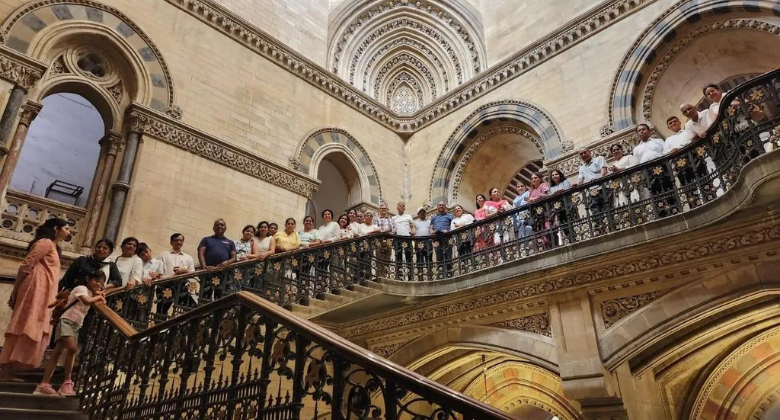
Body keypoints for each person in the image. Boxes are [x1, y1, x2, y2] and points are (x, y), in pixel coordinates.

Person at [0, 218, 70, 382]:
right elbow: (26, 265)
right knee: (24, 323)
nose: (68, 232)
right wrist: (15, 290)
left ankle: (10, 370)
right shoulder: (45, 242)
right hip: (35, 287)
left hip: (45, 290)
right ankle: (5, 370)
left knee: (33, 324)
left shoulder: (53, 246)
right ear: (56, 228)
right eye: (66, 228)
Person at [34, 271, 105, 396]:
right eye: (96, 280)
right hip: (67, 321)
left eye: (100, 282)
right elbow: (86, 301)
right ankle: (66, 382)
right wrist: (99, 297)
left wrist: (98, 294)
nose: (98, 284)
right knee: (72, 349)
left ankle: (45, 384)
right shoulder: (81, 288)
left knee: (58, 352)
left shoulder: (90, 292)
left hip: (76, 325)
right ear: (88, 279)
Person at [635, 123, 676, 217]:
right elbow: (637, 162)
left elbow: (665, 152)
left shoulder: (658, 141)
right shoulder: (636, 149)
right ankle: (661, 214)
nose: (641, 131)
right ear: (637, 134)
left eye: (643, 129)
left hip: (662, 166)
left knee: (668, 187)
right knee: (654, 191)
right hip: (647, 171)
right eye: (639, 130)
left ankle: (674, 209)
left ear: (649, 131)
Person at [157, 233, 196, 316]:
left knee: (192, 308)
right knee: (161, 313)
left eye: (181, 240)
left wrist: (185, 270)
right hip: (166, 286)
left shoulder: (188, 257)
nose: (178, 242)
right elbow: (158, 272)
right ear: (171, 242)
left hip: (181, 286)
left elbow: (193, 273)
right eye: (176, 240)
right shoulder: (163, 254)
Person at [576, 148, 608, 218]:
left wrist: (598, 179)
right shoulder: (581, 168)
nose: (583, 155)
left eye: (585, 152)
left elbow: (604, 170)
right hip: (592, 192)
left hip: (603, 188)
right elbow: (580, 180)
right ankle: (601, 228)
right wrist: (576, 185)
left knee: (609, 209)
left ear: (590, 152)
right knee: (596, 214)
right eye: (581, 154)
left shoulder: (599, 159)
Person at [391, 201, 416, 280]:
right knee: (398, 257)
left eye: (403, 206)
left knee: (409, 257)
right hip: (397, 239)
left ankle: (410, 276)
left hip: (407, 238)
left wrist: (413, 231)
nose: (401, 207)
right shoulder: (393, 218)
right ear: (397, 208)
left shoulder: (408, 216)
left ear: (404, 208)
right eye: (400, 206)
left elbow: (412, 226)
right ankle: (399, 276)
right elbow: (393, 229)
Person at [429, 201, 454, 277]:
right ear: (437, 207)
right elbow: (431, 227)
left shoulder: (450, 216)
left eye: (442, 205)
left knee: (448, 255)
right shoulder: (434, 217)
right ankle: (441, 274)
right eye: (439, 205)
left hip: (447, 237)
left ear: (445, 207)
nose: (441, 206)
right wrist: (432, 231)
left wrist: (448, 231)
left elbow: (453, 225)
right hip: (437, 238)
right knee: (438, 255)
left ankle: (449, 273)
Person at [527, 172, 551, 248]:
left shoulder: (543, 185)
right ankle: (544, 246)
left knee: (548, 228)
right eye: (532, 178)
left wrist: (535, 198)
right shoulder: (532, 191)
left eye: (535, 178)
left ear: (540, 179)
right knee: (540, 230)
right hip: (536, 214)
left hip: (545, 210)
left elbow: (547, 195)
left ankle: (551, 244)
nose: (533, 179)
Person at [548, 169, 572, 246]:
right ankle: (568, 239)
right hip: (558, 209)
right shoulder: (551, 188)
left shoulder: (565, 182)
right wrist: (558, 192)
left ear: (560, 175)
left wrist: (557, 193)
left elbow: (566, 190)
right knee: (563, 225)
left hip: (567, 206)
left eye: (556, 174)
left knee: (570, 223)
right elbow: (551, 196)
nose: (554, 176)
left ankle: (573, 238)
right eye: (553, 175)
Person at [450, 205, 475, 271]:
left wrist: (460, 225)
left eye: (459, 208)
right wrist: (463, 225)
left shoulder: (468, 216)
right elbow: (452, 229)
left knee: (470, 251)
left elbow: (472, 223)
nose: (457, 210)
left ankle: (472, 266)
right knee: (461, 254)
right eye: (455, 209)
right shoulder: (453, 220)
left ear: (462, 209)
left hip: (469, 237)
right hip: (459, 240)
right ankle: (464, 269)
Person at [413, 207, 432, 280]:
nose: (422, 213)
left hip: (428, 242)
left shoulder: (429, 221)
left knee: (429, 259)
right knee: (419, 260)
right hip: (419, 242)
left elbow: (431, 230)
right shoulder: (416, 222)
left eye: (423, 212)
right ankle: (420, 277)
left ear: (425, 213)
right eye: (421, 212)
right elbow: (414, 231)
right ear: (418, 214)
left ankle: (430, 276)